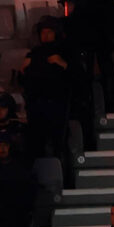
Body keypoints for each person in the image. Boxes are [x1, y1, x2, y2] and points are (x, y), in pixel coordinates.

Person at [19, 16, 80, 184]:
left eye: (49, 32)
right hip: (37, 107)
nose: (45, 36)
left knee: (59, 146)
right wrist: (23, 70)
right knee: (36, 147)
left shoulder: (66, 51)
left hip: (58, 107)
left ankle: (66, 181)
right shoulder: (35, 53)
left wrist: (63, 64)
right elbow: (24, 83)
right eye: (43, 33)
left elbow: (78, 78)